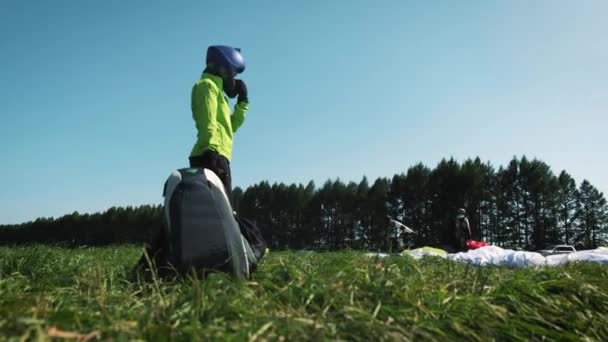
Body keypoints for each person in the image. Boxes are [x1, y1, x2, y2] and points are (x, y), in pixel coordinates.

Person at [188, 45, 249, 202]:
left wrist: (243, 102)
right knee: (218, 214)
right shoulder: (206, 86)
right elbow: (206, 122)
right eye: (233, 73)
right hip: (209, 156)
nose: (234, 79)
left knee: (224, 212)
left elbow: (230, 126)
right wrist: (211, 154)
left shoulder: (219, 93)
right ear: (223, 69)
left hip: (218, 156)